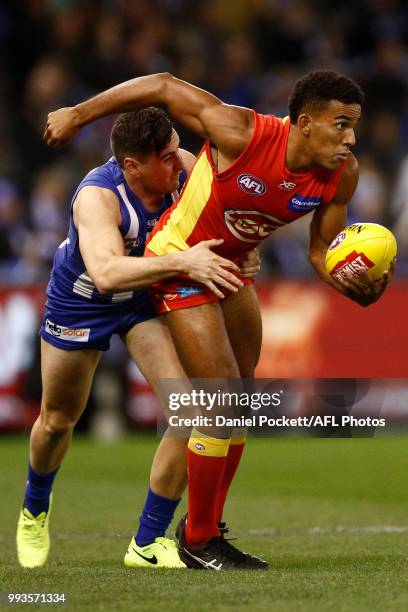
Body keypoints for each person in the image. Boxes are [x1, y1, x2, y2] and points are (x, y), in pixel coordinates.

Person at [44, 69, 393, 570]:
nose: (350, 139)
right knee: (218, 395)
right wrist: (78, 113)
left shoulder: (344, 174)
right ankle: (197, 538)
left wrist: (349, 286)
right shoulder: (241, 133)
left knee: (241, 397)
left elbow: (320, 251)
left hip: (229, 269)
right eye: (340, 125)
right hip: (180, 260)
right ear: (305, 123)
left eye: (354, 125)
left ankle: (205, 528)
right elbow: (163, 85)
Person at [16, 106, 261, 570]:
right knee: (58, 420)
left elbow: (237, 216)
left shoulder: (183, 169)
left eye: (176, 150)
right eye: (165, 157)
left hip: (145, 300)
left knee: (189, 409)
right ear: (132, 166)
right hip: (84, 302)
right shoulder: (98, 197)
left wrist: (245, 253)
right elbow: (107, 274)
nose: (179, 161)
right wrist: (186, 263)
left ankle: (147, 543)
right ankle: (34, 507)